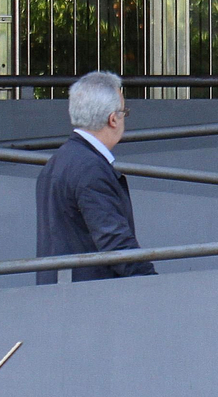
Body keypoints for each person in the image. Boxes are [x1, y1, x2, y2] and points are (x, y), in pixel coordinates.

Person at [35, 71, 158, 284]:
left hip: (62, 293)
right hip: (91, 298)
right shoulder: (91, 169)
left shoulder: (58, 161)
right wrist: (153, 284)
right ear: (113, 119)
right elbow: (115, 243)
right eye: (124, 112)